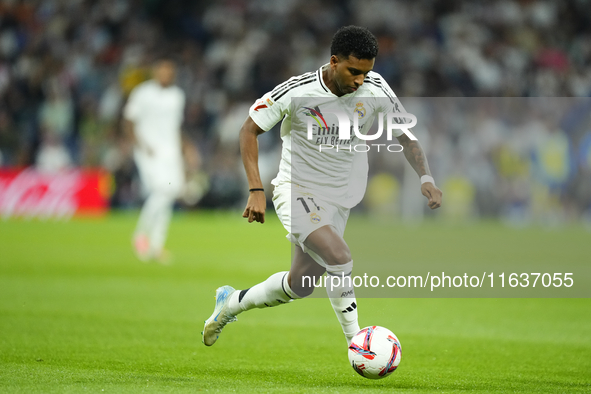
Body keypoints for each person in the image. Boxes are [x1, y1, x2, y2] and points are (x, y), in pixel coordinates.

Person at [202, 26, 442, 346]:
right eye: (353, 71)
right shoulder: (298, 90)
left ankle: (230, 303)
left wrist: (426, 178)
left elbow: (406, 137)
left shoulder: (375, 88)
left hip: (339, 198)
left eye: (366, 72)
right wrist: (256, 190)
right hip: (296, 189)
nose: (360, 80)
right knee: (340, 256)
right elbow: (249, 130)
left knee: (300, 284)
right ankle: (358, 343)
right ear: (333, 61)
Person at [123, 59, 186, 263]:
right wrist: (139, 145)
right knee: (162, 190)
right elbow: (129, 121)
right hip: (148, 151)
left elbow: (175, 127)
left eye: (169, 72)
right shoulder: (142, 93)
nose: (165, 75)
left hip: (171, 151)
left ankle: (156, 245)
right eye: (162, 71)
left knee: (170, 193)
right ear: (154, 72)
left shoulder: (177, 96)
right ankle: (140, 235)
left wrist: (184, 149)